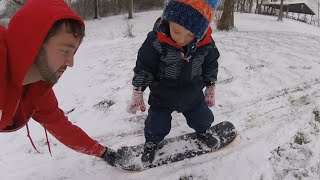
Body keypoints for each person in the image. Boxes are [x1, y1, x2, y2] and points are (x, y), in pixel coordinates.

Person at [0, 0, 117, 166]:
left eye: (73, 52)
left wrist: (104, 153)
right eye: (65, 51)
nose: (71, 62)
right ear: (33, 43)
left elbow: (61, 127)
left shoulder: (36, 89)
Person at [128, 0, 221, 163]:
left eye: (191, 35)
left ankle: (203, 132)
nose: (182, 39)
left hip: (192, 92)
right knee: (156, 124)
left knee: (202, 118)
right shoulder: (156, 41)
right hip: (162, 93)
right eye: (177, 31)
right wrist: (138, 89)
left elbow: (211, 64)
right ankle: (151, 142)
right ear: (168, 20)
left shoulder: (205, 44)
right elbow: (144, 66)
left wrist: (210, 84)